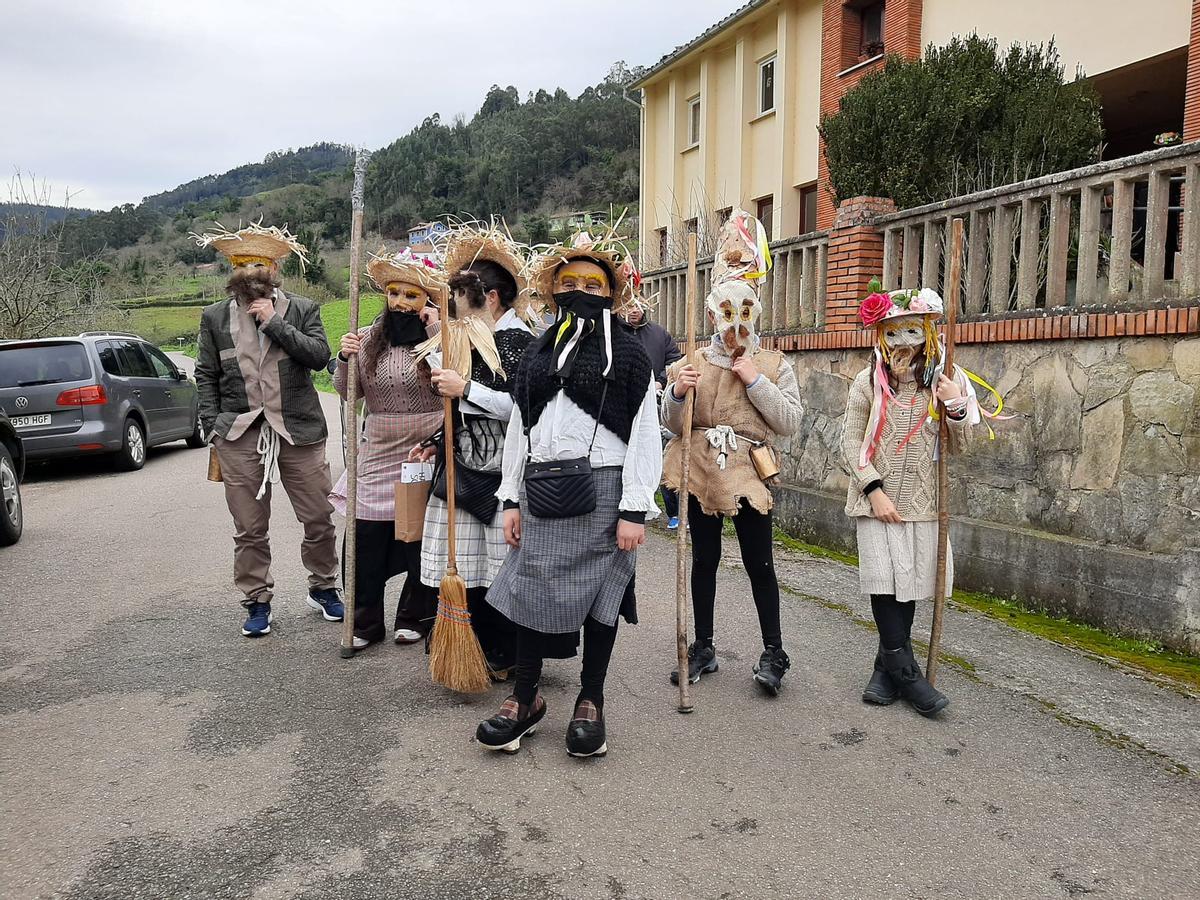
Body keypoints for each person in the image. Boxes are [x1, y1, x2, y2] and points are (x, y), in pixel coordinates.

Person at [475, 232, 660, 758]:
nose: (580, 290)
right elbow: (521, 430)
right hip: (540, 489)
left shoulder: (628, 354)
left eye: (593, 284)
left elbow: (645, 432)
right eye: (570, 282)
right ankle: (525, 698)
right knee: (531, 590)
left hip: (605, 491)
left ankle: (590, 699)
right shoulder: (538, 352)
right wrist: (511, 498)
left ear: (611, 293)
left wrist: (634, 508)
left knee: (603, 598)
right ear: (554, 290)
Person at [661, 209, 803, 695]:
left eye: (745, 312)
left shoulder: (773, 363)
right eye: (726, 312)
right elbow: (672, 424)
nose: (735, 322)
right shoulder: (692, 361)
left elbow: (789, 422)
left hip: (748, 468)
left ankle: (774, 650)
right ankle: (702, 646)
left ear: (755, 313)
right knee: (703, 559)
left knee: (759, 562)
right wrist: (678, 392)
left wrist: (755, 380)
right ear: (711, 315)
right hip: (700, 466)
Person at [841, 282, 995, 717]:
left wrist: (956, 405)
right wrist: (874, 490)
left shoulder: (945, 381)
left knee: (905, 584)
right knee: (883, 582)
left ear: (927, 332)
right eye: (891, 333)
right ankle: (908, 674)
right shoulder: (867, 382)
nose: (901, 343)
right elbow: (850, 441)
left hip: (924, 502)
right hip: (876, 502)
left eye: (911, 331)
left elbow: (962, 446)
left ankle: (884, 670)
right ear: (880, 335)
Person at [192, 223, 342, 637]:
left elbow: (319, 357)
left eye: (258, 264)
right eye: (242, 264)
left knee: (319, 517)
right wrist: (213, 428)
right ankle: (257, 599)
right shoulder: (214, 317)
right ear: (232, 271)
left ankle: (323, 587)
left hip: (298, 428)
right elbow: (205, 374)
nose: (250, 272)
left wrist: (274, 323)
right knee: (249, 527)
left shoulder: (302, 309)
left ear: (274, 269)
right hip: (238, 431)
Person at [411, 224, 534, 676]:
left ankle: (507, 653)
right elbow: (461, 413)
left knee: (501, 566)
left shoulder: (520, 342)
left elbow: (523, 409)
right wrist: (436, 442)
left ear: (492, 298)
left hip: (503, 471)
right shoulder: (467, 338)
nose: (454, 309)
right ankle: (474, 646)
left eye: (460, 299)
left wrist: (465, 388)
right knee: (468, 564)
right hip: (463, 467)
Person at [330, 249, 445, 649]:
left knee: (420, 536)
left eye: (411, 295)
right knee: (364, 536)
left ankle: (415, 616)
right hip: (378, 448)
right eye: (394, 293)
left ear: (427, 299)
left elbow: (454, 377)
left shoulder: (441, 337)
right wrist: (344, 358)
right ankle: (364, 622)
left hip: (426, 448)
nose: (400, 302)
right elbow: (348, 392)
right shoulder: (366, 338)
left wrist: (436, 329)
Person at [621, 296, 682, 528]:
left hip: (654, 404)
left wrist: (660, 381)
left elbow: (674, 360)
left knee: (660, 453)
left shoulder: (659, 334)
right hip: (623, 405)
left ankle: (673, 511)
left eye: (638, 305)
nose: (633, 310)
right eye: (629, 305)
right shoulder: (614, 333)